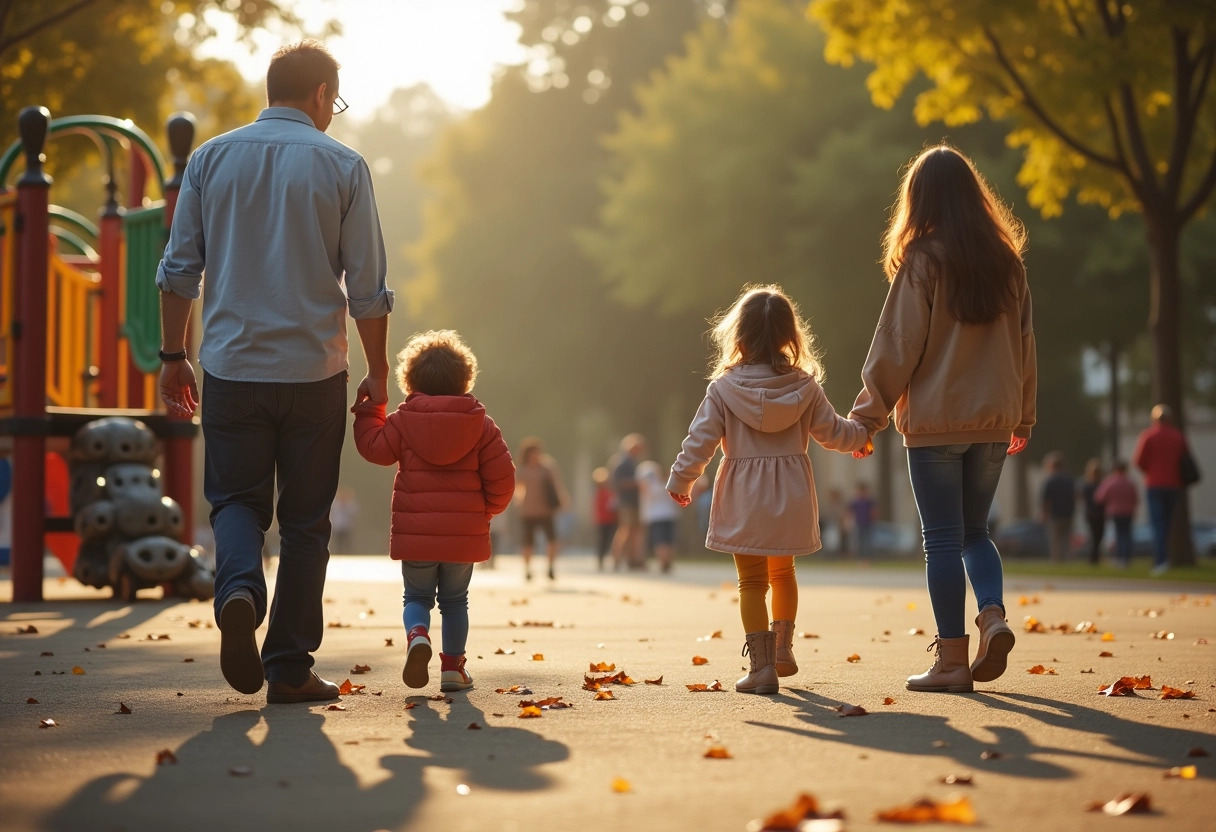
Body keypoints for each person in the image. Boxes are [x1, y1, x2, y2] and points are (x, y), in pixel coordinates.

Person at [156, 41, 394, 704]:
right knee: (306, 520)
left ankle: (236, 589)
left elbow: (179, 271)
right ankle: (288, 665)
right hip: (316, 372)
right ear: (321, 94)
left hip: (232, 368)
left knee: (236, 501)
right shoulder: (344, 166)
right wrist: (377, 371)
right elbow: (368, 286)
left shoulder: (210, 159)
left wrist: (174, 357)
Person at [849, 145, 1035, 694]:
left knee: (942, 539)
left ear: (920, 199)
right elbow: (1026, 346)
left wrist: (868, 417)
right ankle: (993, 614)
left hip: (935, 425)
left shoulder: (923, 261)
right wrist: (1022, 418)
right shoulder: (1008, 263)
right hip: (994, 423)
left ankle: (952, 662)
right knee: (977, 532)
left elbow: (899, 345)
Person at [667, 285, 869, 695]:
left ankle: (761, 669)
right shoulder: (805, 386)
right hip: (790, 491)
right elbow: (833, 433)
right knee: (784, 572)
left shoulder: (723, 389)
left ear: (738, 337)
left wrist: (681, 479)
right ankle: (783, 650)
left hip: (744, 492)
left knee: (752, 583)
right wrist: (861, 435)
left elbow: (700, 439)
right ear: (788, 337)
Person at [351, 330, 514, 691]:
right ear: (464, 378)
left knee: (417, 597)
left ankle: (418, 635)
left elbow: (374, 449)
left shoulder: (402, 420)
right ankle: (453, 668)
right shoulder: (482, 425)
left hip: (417, 537)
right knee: (456, 602)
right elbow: (503, 482)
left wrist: (370, 409)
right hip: (463, 536)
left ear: (411, 379)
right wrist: (485, 514)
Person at [1133, 404, 1189, 575]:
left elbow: (1138, 461)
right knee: (1168, 523)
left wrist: (1151, 471)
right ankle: (1167, 558)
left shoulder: (1149, 436)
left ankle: (1161, 560)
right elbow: (1185, 458)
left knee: (1158, 524)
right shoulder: (1178, 436)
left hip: (1155, 485)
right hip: (1173, 485)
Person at [514, 437, 568, 582]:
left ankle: (550, 567)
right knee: (528, 543)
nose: (536, 456)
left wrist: (563, 501)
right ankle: (527, 569)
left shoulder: (547, 467)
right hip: (528, 511)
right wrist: (518, 502)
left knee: (552, 540)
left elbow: (557, 485)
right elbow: (517, 488)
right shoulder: (523, 469)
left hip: (546, 510)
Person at [610, 434, 646, 570]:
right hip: (626, 501)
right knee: (626, 530)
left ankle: (634, 559)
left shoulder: (633, 462)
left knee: (636, 531)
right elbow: (618, 483)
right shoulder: (622, 463)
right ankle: (617, 558)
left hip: (636, 501)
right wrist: (637, 484)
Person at [638, 458, 679, 573]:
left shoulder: (652, 488)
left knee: (660, 541)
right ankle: (667, 563)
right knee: (669, 540)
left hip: (656, 517)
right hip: (670, 515)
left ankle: (663, 562)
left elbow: (644, 492)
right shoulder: (667, 486)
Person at [1095, 460, 1139, 568]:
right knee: (1127, 535)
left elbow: (1099, 498)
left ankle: (1120, 558)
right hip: (1128, 512)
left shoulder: (1110, 482)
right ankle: (1127, 558)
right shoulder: (1130, 483)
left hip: (1115, 512)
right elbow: (1135, 499)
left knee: (1119, 535)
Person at [1041, 454, 1077, 563]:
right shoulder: (1069, 480)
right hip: (1068, 513)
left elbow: (1046, 500)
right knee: (1066, 540)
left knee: (1055, 540)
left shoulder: (1050, 481)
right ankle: (1068, 560)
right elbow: (1075, 496)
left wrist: (1045, 513)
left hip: (1055, 514)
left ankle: (1056, 561)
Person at [1080, 459, 1105, 565]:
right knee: (1094, 537)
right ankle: (1093, 558)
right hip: (1092, 514)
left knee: (1099, 536)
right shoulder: (1088, 485)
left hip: (1100, 514)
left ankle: (1095, 557)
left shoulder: (1101, 485)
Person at [592, 466, 617, 571]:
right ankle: (600, 560)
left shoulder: (608, 492)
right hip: (603, 520)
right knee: (603, 541)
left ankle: (607, 559)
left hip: (610, 519)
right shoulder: (600, 493)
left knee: (608, 541)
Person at [849, 482, 877, 559]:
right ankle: (861, 558)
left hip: (868, 524)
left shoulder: (869, 501)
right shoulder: (855, 502)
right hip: (858, 524)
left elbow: (873, 511)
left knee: (867, 542)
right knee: (859, 542)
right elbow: (850, 512)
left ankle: (868, 558)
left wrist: (874, 520)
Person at [329, 487, 359, 554]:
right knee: (337, 542)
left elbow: (355, 513)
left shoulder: (350, 505)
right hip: (337, 527)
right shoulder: (335, 504)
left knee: (347, 542)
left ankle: (348, 553)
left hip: (347, 527)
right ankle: (337, 553)